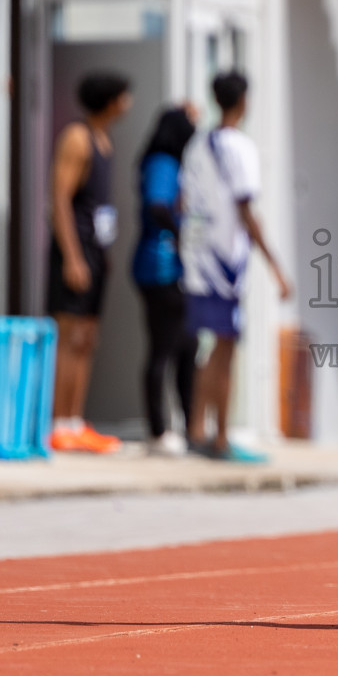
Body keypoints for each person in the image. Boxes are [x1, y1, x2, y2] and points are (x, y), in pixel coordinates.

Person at [179, 72, 292, 460]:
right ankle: (220, 436)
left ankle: (197, 428)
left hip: (199, 256)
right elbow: (246, 210)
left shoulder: (197, 145)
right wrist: (276, 267)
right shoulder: (240, 147)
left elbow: (184, 201)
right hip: (224, 261)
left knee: (210, 347)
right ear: (243, 101)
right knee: (226, 347)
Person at [47, 71, 132, 453]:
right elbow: (60, 199)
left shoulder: (104, 140)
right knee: (69, 336)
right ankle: (58, 421)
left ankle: (76, 419)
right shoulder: (78, 139)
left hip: (96, 250)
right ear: (111, 99)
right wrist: (72, 256)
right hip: (76, 248)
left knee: (89, 338)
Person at [131, 104, 200, 456]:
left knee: (188, 348)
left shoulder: (170, 164)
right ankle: (158, 431)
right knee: (164, 350)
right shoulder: (162, 163)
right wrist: (183, 234)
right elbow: (157, 206)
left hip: (174, 271)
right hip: (159, 270)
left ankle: (191, 426)